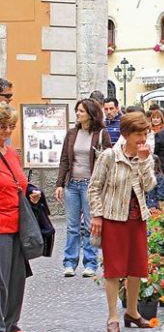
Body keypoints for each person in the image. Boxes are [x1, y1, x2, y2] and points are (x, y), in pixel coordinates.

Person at [88, 112, 156, 332]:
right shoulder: (109, 156)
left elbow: (148, 186)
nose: (142, 138)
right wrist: (97, 215)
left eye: (145, 133)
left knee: (137, 267)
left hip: (137, 217)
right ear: (126, 134)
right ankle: (112, 316)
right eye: (138, 134)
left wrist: (145, 161)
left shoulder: (145, 155)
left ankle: (133, 312)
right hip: (114, 217)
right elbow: (95, 187)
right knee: (114, 269)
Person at [0, 103, 42, 332]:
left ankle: (12, 325)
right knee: (1, 280)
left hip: (18, 223)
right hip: (1, 226)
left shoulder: (12, 154)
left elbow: (21, 183)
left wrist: (32, 192)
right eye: (3, 126)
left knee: (17, 277)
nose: (7, 131)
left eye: (10, 126)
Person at [55, 99, 112, 278]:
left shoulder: (101, 133)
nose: (78, 114)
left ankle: (90, 263)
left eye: (81, 111)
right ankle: (70, 263)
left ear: (91, 114)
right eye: (77, 111)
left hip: (91, 185)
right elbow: (64, 159)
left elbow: (109, 159)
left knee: (90, 225)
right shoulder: (72, 133)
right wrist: (59, 184)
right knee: (72, 226)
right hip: (72, 184)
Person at [150, 109, 164, 174]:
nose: (155, 119)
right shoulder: (148, 130)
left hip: (162, 160)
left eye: (157, 118)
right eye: (153, 118)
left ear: (161, 119)